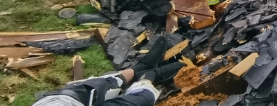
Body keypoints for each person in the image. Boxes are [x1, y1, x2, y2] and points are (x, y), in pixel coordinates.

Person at [32, 37, 183, 106]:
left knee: (104, 83)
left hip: (64, 100)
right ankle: (148, 77)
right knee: (143, 97)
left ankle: (139, 69)